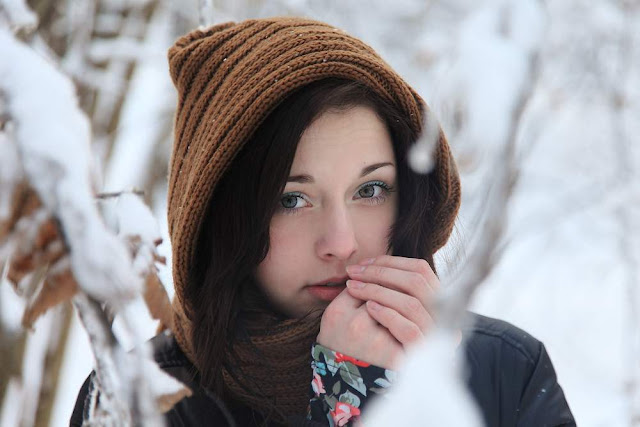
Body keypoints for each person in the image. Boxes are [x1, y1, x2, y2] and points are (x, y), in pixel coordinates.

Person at [71, 17, 576, 427]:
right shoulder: (137, 400)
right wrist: (348, 399)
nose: (341, 242)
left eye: (371, 190)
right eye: (291, 199)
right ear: (219, 219)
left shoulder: (507, 370)